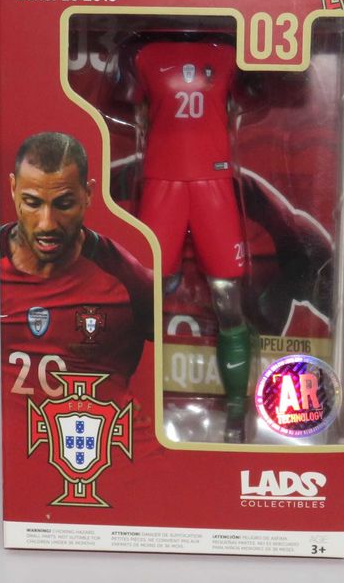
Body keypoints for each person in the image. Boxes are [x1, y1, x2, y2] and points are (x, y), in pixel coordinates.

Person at [132, 37, 252, 442]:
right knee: (147, 295)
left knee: (227, 297)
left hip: (212, 183)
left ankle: (235, 413)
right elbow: (132, 112)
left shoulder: (228, 54)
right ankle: (138, 402)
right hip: (162, 181)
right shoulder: (145, 56)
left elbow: (253, 100)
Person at [0, 132, 153, 406]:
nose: (47, 223)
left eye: (64, 204)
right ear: (13, 188)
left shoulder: (126, 280)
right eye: (32, 203)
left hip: (87, 432)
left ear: (88, 194)